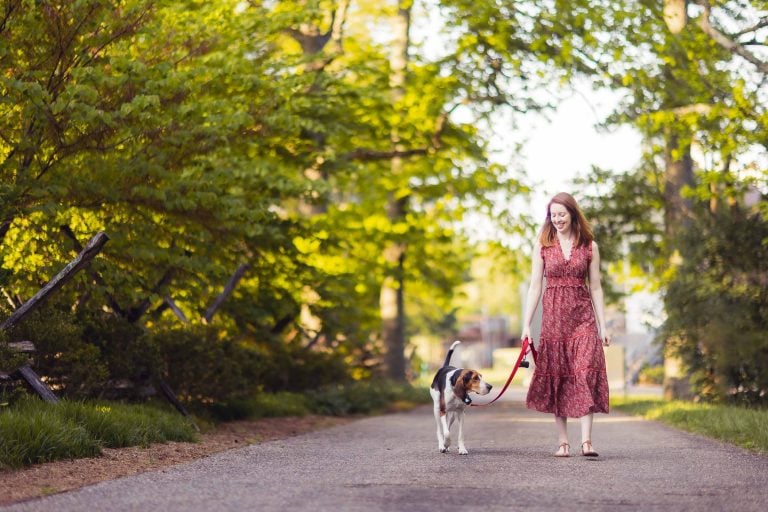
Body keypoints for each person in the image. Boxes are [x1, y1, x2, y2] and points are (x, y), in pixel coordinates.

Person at [521, 192, 610, 457]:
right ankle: (563, 442)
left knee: (584, 373)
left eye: (562, 214)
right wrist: (526, 325)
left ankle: (586, 442)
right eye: (553, 215)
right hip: (554, 322)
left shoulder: (590, 246)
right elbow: (535, 286)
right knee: (558, 377)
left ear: (572, 214)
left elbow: (596, 287)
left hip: (583, 319)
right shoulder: (543, 245)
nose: (557, 219)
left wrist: (603, 326)